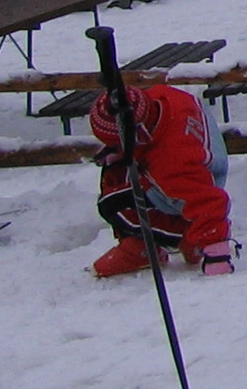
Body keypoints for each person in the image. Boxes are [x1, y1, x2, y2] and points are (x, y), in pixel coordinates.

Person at [89, 81, 234, 278]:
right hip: (203, 154)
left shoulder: (170, 165)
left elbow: (212, 203)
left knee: (112, 204)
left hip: (195, 181)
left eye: (115, 142)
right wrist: (119, 150)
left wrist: (215, 253)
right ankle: (155, 236)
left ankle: (162, 243)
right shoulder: (164, 96)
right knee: (116, 170)